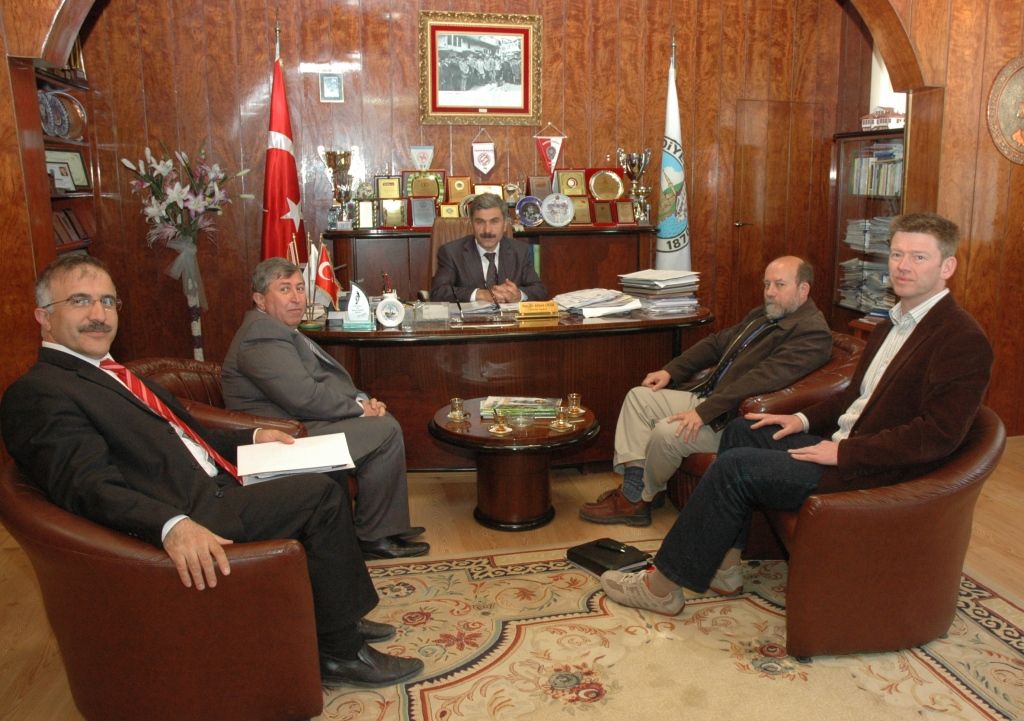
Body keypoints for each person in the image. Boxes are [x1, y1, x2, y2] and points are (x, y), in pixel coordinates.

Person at [0, 254, 424, 687]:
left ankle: (336, 617)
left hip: (212, 481)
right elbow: (86, 487)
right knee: (320, 498)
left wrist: (254, 436)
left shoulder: (110, 371)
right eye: (80, 301)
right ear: (43, 317)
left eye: (107, 301)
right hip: (193, 507)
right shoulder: (40, 393)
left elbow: (187, 432)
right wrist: (170, 525)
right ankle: (341, 654)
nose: (98, 314)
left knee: (322, 468)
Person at [599, 212, 994, 616]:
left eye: (919, 257)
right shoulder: (888, 327)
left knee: (734, 467)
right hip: (845, 448)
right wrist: (801, 420)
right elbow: (853, 399)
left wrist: (843, 453)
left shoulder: (960, 339)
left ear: (947, 266)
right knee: (742, 430)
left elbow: (937, 435)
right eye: (897, 254)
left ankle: (661, 587)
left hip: (873, 471)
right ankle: (726, 569)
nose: (903, 266)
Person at [580, 256, 833, 531]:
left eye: (779, 284)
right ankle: (635, 491)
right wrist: (671, 371)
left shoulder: (811, 334)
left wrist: (703, 412)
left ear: (803, 289)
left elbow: (759, 381)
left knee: (667, 432)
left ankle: (639, 498)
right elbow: (716, 343)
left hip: (732, 417)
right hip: (708, 395)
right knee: (639, 397)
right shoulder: (766, 314)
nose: (769, 292)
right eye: (766, 284)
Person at [221, 258, 428, 560]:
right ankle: (373, 536)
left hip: (301, 425)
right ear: (260, 300)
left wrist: (363, 401)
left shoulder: (279, 328)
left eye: (299, 288)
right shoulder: (260, 334)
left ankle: (383, 527)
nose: (296, 298)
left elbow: (323, 383)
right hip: (282, 440)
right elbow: (303, 396)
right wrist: (359, 410)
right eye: (284, 289)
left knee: (382, 424)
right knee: (384, 431)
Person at [429, 192, 547, 303]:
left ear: (505, 225)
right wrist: (479, 294)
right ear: (472, 224)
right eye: (480, 222)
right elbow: (438, 292)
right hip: (471, 318)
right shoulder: (452, 252)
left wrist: (519, 295)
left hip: (509, 318)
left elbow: (539, 290)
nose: (487, 230)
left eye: (494, 221)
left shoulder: (520, 251)